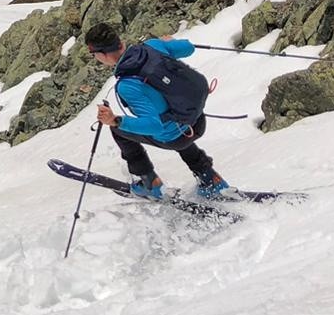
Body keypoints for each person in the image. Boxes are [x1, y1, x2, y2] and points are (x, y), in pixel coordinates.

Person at [82, 23, 230, 201]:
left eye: (94, 55)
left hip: (177, 137)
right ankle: (209, 178)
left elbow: (154, 126)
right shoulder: (152, 46)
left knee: (120, 131)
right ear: (120, 42)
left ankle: (149, 183)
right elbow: (188, 48)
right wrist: (168, 43)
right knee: (173, 115)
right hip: (196, 120)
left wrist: (115, 120)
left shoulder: (127, 85)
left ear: (102, 55)